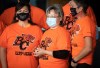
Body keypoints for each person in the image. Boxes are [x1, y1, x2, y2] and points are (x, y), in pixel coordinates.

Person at [0, 3, 43, 68]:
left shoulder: (37, 30)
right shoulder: (8, 29)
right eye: (20, 11)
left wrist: (40, 65)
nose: (22, 13)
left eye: (25, 11)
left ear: (29, 15)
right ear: (16, 15)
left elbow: (43, 48)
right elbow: (2, 48)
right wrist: (4, 66)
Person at [34, 4, 71, 68]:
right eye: (48, 16)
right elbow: (45, 48)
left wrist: (44, 52)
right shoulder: (46, 32)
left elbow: (64, 54)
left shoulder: (62, 32)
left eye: (53, 17)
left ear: (61, 18)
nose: (50, 19)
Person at [69, 0, 96, 68]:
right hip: (76, 60)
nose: (71, 9)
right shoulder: (78, 21)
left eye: (72, 6)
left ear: (80, 8)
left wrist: (75, 60)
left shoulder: (87, 22)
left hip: (83, 62)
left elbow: (88, 47)